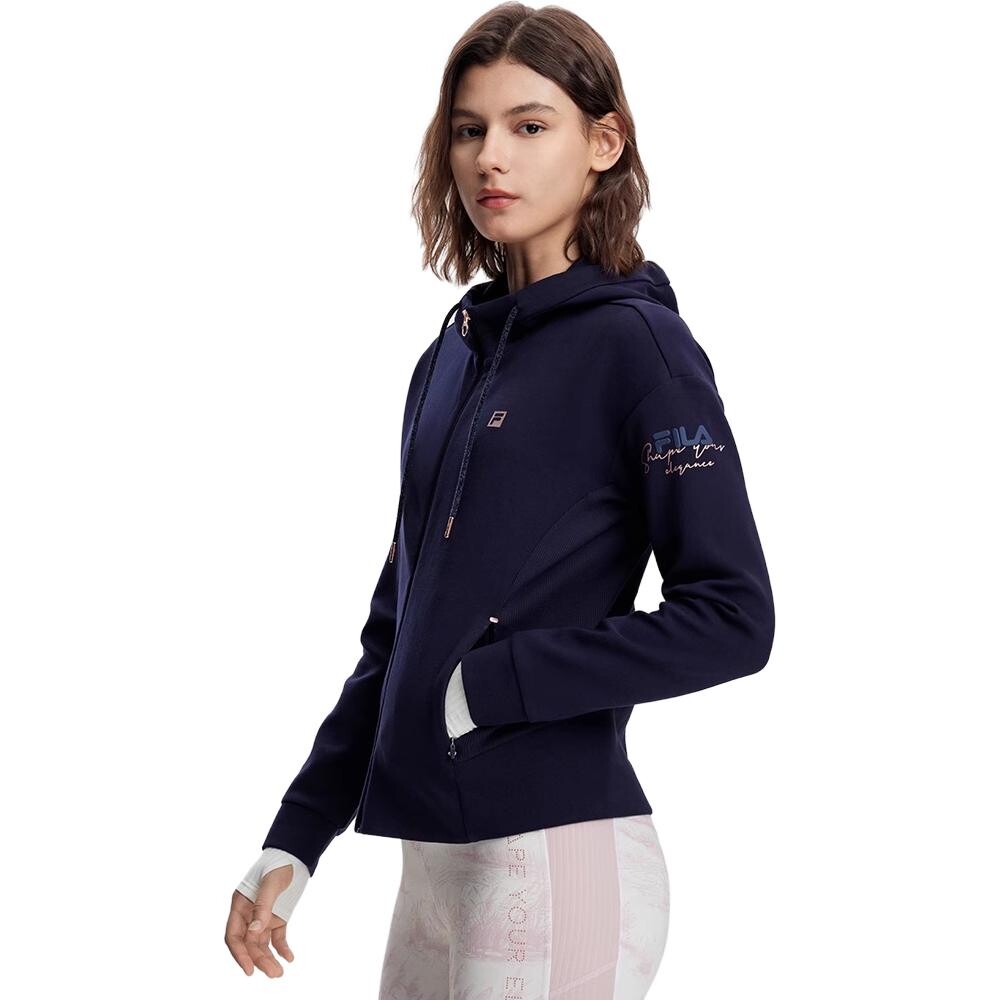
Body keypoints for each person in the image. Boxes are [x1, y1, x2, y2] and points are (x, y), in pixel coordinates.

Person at [224, 4, 775, 996]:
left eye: (530, 125)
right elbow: (396, 633)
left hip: (558, 853)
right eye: (469, 129)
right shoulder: (450, 358)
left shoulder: (639, 349)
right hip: (433, 863)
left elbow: (733, 619)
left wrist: (492, 685)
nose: (491, 157)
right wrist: (295, 838)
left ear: (603, 143)